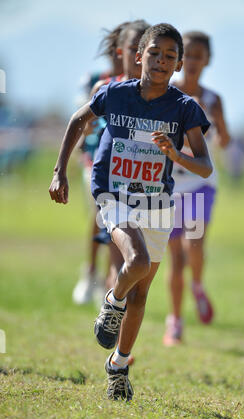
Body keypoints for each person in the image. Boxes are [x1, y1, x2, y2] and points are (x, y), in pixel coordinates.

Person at [49, 23, 212, 400]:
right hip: (114, 196)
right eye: (154, 53)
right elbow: (78, 120)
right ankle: (111, 301)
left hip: (158, 204)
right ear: (139, 56)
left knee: (141, 297)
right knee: (135, 261)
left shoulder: (184, 108)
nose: (161, 61)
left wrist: (175, 154)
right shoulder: (115, 94)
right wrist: (60, 171)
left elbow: (205, 165)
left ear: (178, 65)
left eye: (170, 56)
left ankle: (118, 366)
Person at [163, 31, 230, 346]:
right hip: (170, 185)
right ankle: (175, 321)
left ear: (207, 61)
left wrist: (215, 119)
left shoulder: (214, 99)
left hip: (201, 183)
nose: (191, 62)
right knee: (175, 258)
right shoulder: (166, 94)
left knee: (196, 243)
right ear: (178, 59)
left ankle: (198, 284)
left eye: (198, 56)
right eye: (186, 55)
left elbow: (225, 142)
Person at [73, 22, 130, 305]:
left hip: (125, 168)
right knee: (100, 218)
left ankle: (111, 284)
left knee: (116, 227)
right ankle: (92, 273)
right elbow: (85, 121)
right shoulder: (100, 81)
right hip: (96, 161)